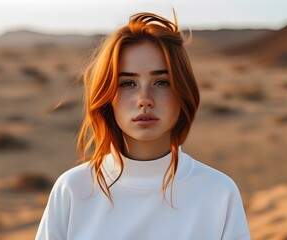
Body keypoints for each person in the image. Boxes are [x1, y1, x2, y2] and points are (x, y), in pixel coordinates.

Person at [36, 12, 250, 240]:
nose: (144, 99)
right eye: (128, 83)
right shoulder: (72, 189)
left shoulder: (218, 192)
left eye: (161, 82)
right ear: (108, 96)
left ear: (183, 92)